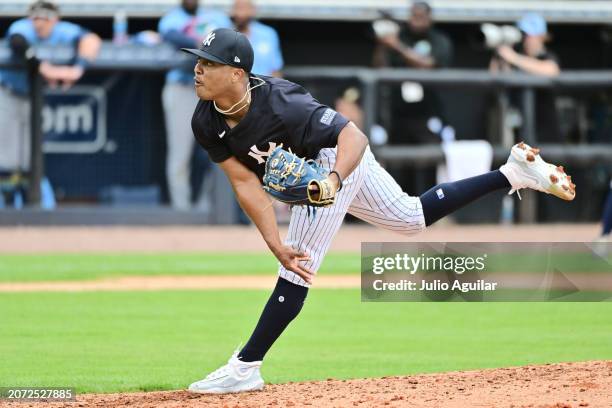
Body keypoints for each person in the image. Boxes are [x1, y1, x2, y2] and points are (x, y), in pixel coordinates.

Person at [181, 28, 575, 394]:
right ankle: (511, 174)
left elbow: (352, 135)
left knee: (299, 261)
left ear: (236, 73)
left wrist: (334, 180)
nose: (197, 69)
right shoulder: (206, 119)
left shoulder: (282, 102)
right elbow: (245, 182)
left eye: (208, 63)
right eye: (198, 60)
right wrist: (272, 241)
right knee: (411, 218)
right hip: (324, 171)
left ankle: (246, 366)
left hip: (337, 157)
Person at [0, 0, 101, 198]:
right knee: (5, 153)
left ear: (55, 20)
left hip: (33, 97)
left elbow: (91, 40)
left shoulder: (62, 30)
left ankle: (31, 200)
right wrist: (44, 68)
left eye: (45, 18)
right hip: (7, 93)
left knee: (30, 154)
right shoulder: (22, 28)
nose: (40, 23)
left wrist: (78, 68)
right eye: (36, 18)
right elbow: (17, 42)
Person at [158, 0, 231, 210]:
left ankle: (207, 207)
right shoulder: (172, 18)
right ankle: (181, 210)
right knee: (180, 154)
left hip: (213, 93)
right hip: (182, 88)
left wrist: (206, 47)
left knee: (219, 151)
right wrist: (205, 46)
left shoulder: (216, 17)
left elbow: (228, 41)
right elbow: (172, 37)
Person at [373, 1, 453, 145]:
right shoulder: (402, 36)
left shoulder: (438, 40)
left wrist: (397, 46)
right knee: (396, 159)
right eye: (413, 16)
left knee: (428, 157)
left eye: (420, 16)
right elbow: (380, 68)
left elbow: (429, 64)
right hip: (399, 112)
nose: (416, 20)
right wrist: (383, 44)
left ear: (429, 18)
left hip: (429, 112)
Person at [490, 12, 561, 142]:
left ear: (541, 36)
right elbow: (495, 79)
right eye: (523, 35)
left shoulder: (546, 56)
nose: (525, 39)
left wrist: (513, 57)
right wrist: (500, 55)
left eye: (528, 35)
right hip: (519, 132)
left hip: (544, 133)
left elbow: (552, 71)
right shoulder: (516, 56)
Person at [231, 0, 283, 77]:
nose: (240, 13)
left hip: (264, 86)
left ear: (253, 10)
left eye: (244, 8)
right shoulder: (227, 36)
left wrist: (276, 88)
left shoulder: (268, 34)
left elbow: (275, 69)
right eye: (237, 8)